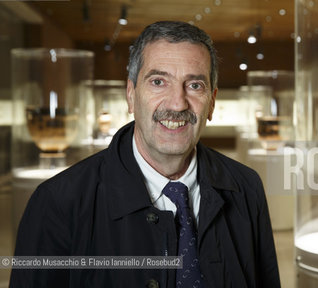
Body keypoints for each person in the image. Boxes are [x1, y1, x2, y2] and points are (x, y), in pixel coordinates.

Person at [10, 21, 281, 288]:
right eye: (159, 81)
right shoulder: (58, 203)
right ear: (131, 95)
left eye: (195, 85)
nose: (178, 103)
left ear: (211, 102)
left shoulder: (247, 188)